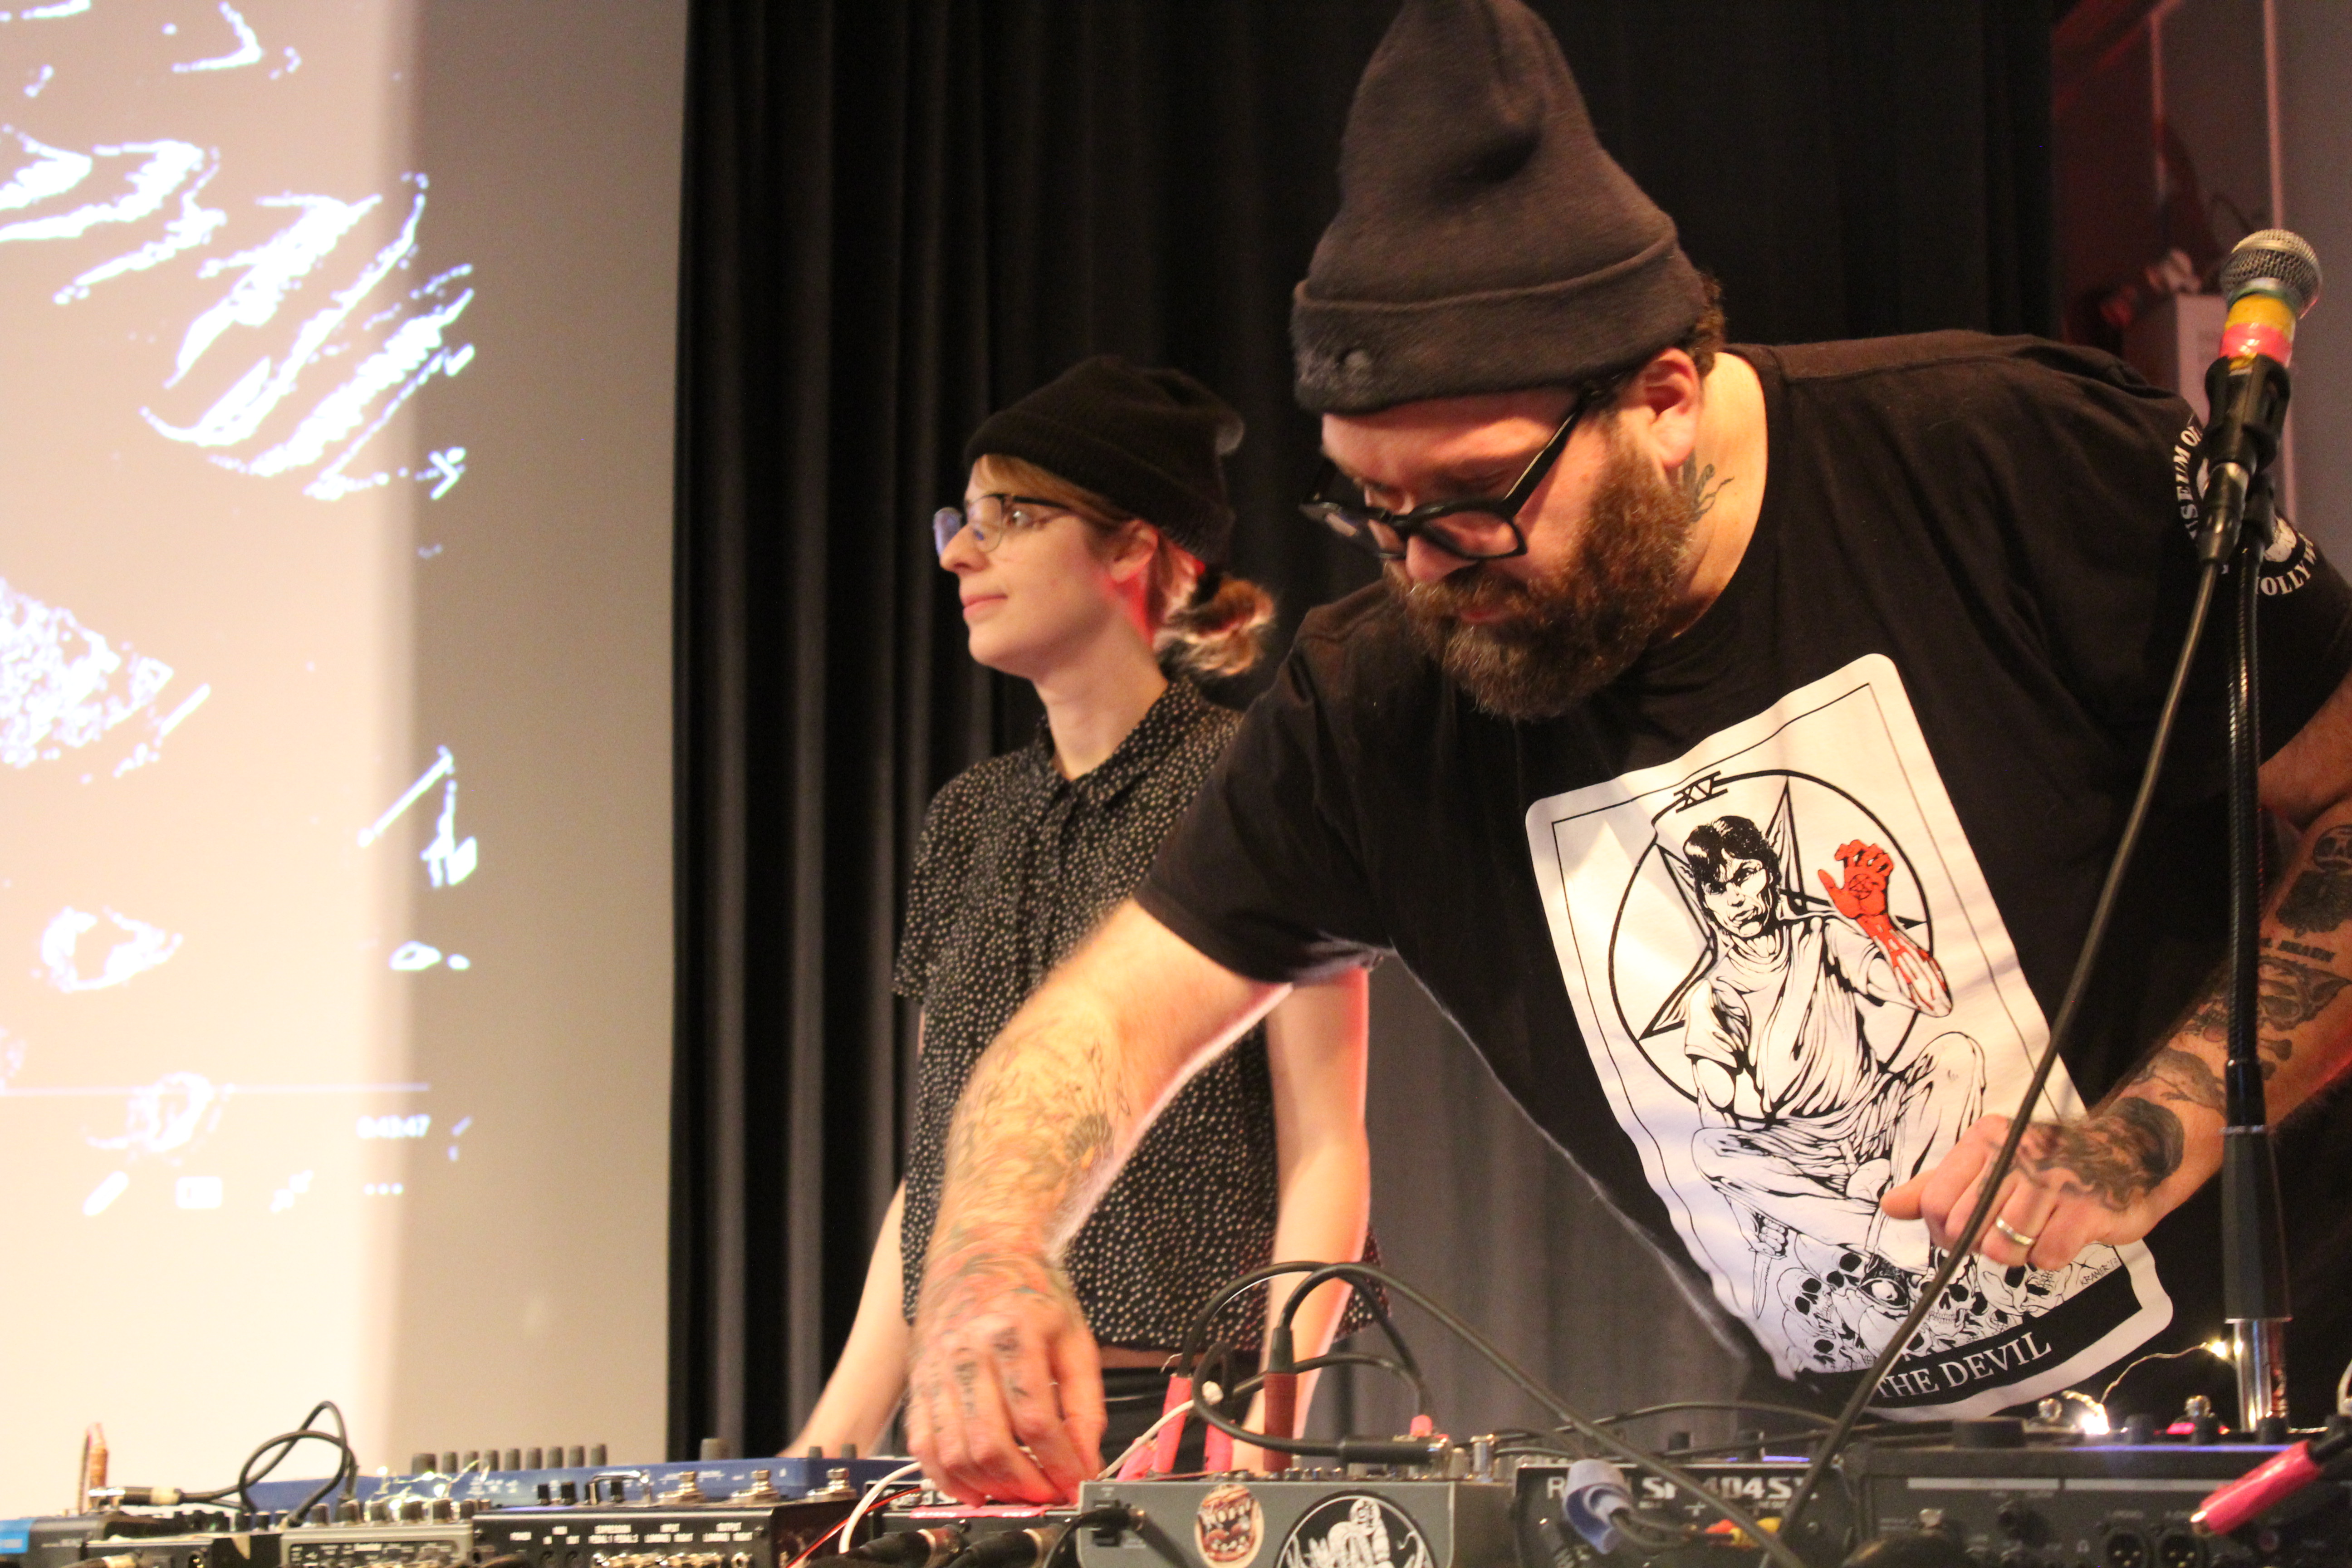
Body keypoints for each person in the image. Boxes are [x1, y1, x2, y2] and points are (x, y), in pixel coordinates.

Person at [895, 0, 2352, 1505]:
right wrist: (988, 1253)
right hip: (1877, 1490)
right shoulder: (1373, 703)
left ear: (1661, 398)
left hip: (2294, 1418)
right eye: (1369, 508)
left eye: (1474, 497)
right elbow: (1108, 1015)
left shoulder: (2004, 457)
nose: (1422, 566)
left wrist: (2141, 1138)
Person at [785, 356, 1376, 1473]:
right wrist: (830, 1444)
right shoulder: (966, 821)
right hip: (965, 1422)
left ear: (1130, 547)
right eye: (962, 520)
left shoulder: (1251, 784)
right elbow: (942, 1170)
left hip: (1180, 1418)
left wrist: (1263, 1436)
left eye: (1009, 517)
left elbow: (1326, 1148)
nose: (960, 553)